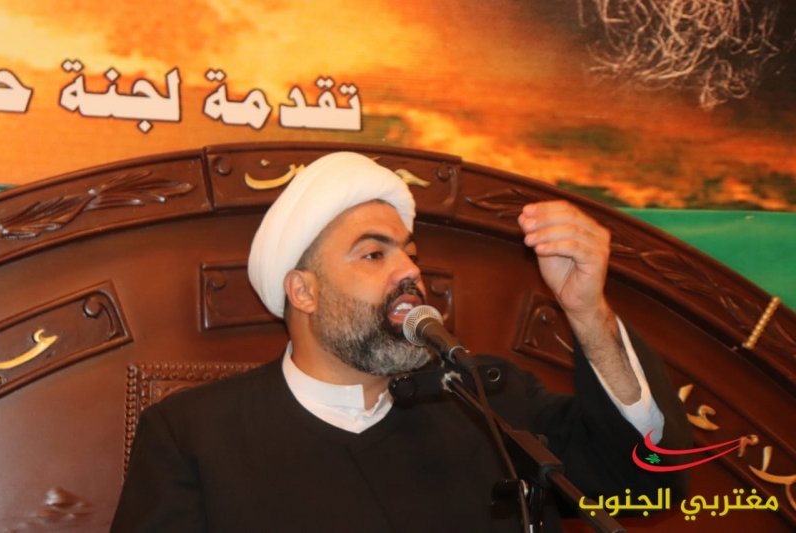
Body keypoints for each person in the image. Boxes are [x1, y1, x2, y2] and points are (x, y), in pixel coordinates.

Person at [112, 152, 691, 532]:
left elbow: (647, 483)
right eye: (374, 254)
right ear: (304, 291)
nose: (411, 271)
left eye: (410, 254)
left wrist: (587, 311)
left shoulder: (487, 399)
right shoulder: (192, 434)